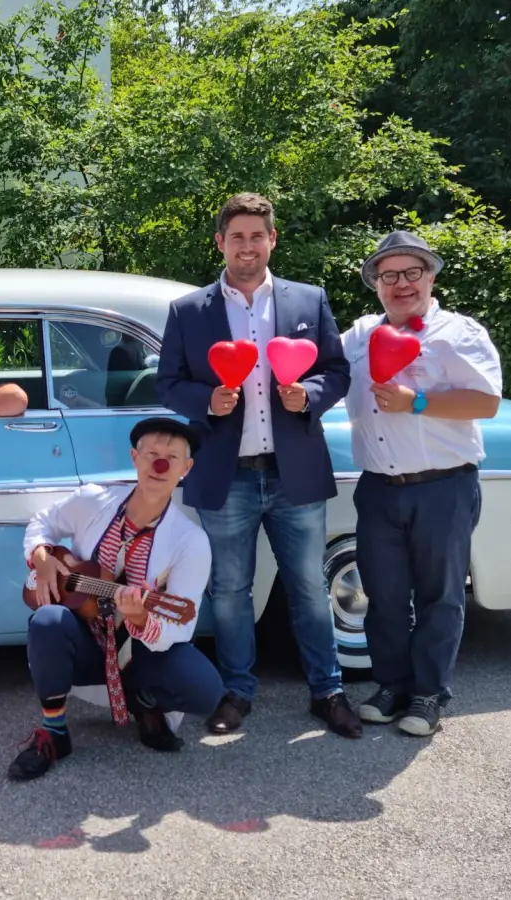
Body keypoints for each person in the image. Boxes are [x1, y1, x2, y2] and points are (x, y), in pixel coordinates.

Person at [154, 192, 362, 739]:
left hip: (295, 472)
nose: (247, 246)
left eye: (257, 235)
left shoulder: (308, 300)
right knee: (228, 590)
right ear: (221, 242)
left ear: (272, 239)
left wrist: (310, 396)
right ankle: (237, 693)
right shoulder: (188, 310)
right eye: (236, 236)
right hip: (228, 475)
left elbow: (337, 371)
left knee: (310, 589)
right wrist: (206, 402)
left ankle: (328, 690)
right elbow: (167, 383)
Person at [341, 231, 502, 737]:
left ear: (431, 276)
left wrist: (418, 402)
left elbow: (487, 402)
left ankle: (429, 694)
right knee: (383, 594)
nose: (401, 284)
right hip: (379, 487)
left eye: (413, 272)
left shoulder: (459, 333)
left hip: (443, 486)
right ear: (376, 285)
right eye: (389, 275)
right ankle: (392, 686)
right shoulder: (360, 336)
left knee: (440, 595)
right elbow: (320, 368)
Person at [8, 417, 224, 780]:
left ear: (186, 469)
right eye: (152, 454)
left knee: (206, 691)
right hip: (87, 642)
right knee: (47, 621)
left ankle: (144, 700)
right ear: (134, 458)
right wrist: (42, 558)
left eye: (172, 458)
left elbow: (181, 627)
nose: (160, 465)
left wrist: (141, 619)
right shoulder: (95, 500)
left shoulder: (191, 541)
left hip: (140, 655)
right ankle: (55, 733)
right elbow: (41, 522)